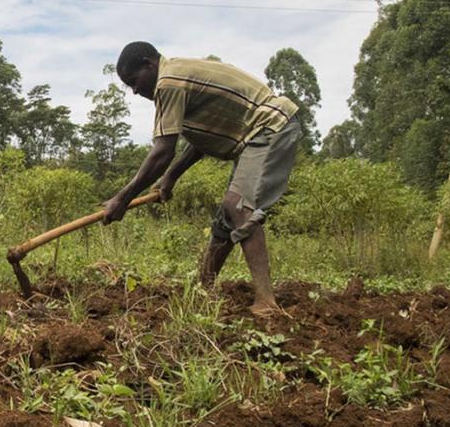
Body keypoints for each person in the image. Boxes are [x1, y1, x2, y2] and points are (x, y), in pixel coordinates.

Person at [102, 41, 301, 317]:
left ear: (149, 64)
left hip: (270, 126)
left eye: (134, 81)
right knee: (227, 217)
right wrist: (170, 177)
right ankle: (203, 290)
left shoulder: (168, 83)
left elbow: (163, 151)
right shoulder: (177, 76)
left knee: (238, 205)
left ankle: (266, 301)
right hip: (255, 135)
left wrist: (123, 198)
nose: (135, 91)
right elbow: (199, 142)